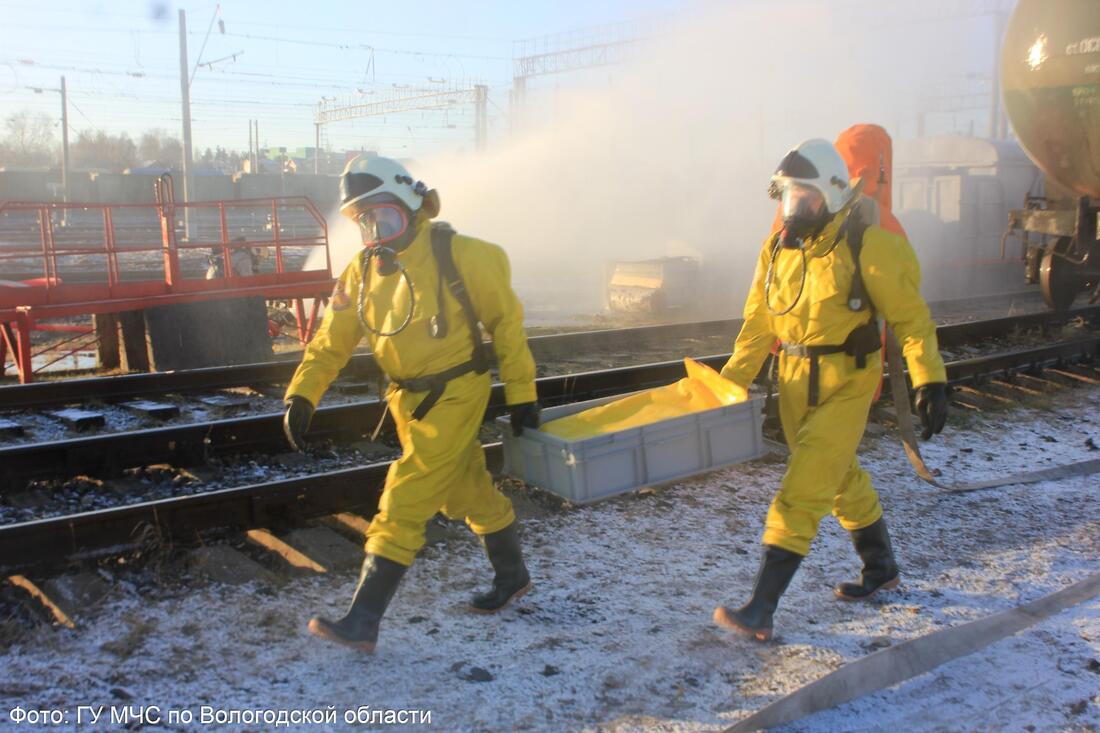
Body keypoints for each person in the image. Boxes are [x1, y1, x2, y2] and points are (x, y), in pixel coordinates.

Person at [282, 155, 541, 653]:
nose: (378, 233)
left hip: (458, 391)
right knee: (462, 493)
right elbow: (330, 342)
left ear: (412, 207)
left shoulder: (463, 255)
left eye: (386, 218)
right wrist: (302, 393)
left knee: (405, 496)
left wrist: (523, 393)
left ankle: (363, 620)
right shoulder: (361, 273)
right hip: (408, 401)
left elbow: (507, 325)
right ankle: (512, 575)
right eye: (366, 223)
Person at [713, 136, 948, 642]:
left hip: (847, 382)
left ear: (835, 193)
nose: (797, 209)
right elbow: (758, 325)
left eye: (807, 198)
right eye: (790, 198)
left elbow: (911, 319)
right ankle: (881, 567)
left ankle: (762, 606)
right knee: (840, 476)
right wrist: (725, 387)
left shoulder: (869, 242)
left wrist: (930, 377)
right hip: (795, 382)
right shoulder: (777, 247)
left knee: (804, 487)